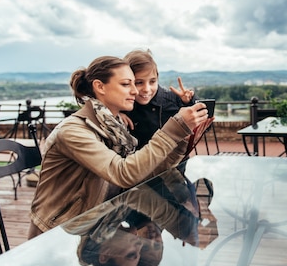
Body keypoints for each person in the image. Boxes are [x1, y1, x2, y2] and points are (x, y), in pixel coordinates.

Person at [28, 55, 209, 239]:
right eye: (126, 84)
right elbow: (123, 173)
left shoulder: (116, 129)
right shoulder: (74, 131)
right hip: (57, 234)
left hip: (98, 225)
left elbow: (142, 177)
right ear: (100, 87)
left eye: (134, 83)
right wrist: (174, 129)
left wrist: (183, 139)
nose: (135, 91)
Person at [122, 49, 196, 150]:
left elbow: (205, 126)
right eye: (139, 82)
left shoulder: (174, 100)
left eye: (152, 81)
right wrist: (115, 114)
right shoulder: (121, 104)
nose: (147, 89)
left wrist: (189, 103)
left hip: (175, 164)